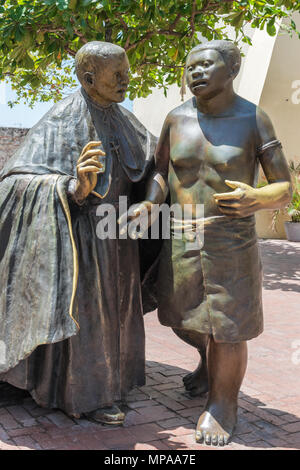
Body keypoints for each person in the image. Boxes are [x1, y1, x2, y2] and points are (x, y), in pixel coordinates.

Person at [123, 40, 292, 445]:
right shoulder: (176, 118)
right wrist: (149, 203)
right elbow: (161, 172)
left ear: (231, 68)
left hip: (230, 237)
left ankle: (223, 404)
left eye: (205, 65)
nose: (195, 72)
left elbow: (285, 186)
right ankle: (208, 363)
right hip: (182, 234)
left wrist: (258, 198)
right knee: (180, 316)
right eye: (189, 67)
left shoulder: (254, 118)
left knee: (228, 328)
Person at [0, 41, 157, 425]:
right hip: (76, 238)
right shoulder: (60, 119)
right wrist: (73, 188)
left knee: (113, 314)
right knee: (86, 314)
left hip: (119, 235)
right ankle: (86, 393)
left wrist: (150, 202)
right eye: (116, 74)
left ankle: (111, 384)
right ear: (89, 79)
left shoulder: (127, 120)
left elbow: (156, 169)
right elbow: (15, 180)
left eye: (126, 71)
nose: (126, 80)